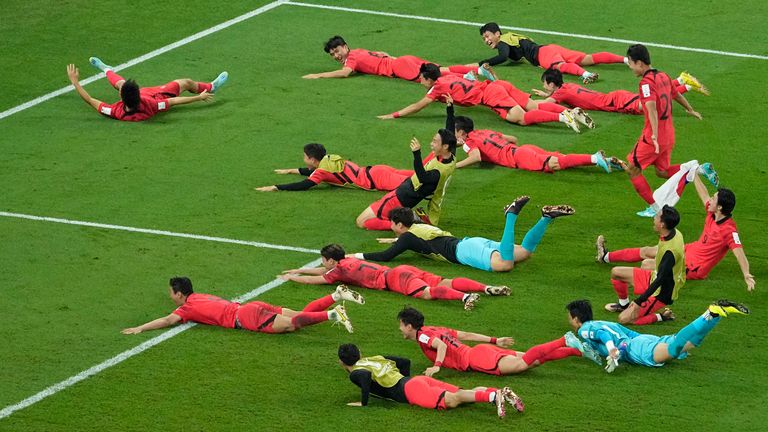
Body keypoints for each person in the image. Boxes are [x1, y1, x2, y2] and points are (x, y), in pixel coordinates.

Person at [597, 177, 754, 292]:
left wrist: (746, 274)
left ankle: (647, 295)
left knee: (647, 264)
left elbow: (739, 253)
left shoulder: (729, 230)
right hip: (689, 250)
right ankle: (605, 256)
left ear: (719, 207)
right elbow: (704, 194)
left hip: (693, 266)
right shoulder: (713, 213)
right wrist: (693, 174)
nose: (710, 200)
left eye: (714, 199)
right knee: (648, 251)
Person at [355, 196, 573, 272]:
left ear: (398, 224)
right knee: (525, 252)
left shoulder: (407, 237)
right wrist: (394, 239)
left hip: (464, 253)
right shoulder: (417, 225)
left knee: (505, 264)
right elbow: (416, 238)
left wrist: (353, 256)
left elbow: (386, 256)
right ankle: (546, 217)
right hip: (470, 242)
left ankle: (511, 215)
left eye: (391, 224)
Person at [281, 244, 511, 311]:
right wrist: (297, 270)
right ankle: (486, 287)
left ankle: (464, 297)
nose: (322, 264)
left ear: (331, 261)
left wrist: (292, 278)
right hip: (402, 270)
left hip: (395, 280)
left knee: (428, 294)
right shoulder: (348, 260)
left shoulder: (338, 270)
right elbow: (322, 272)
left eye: (323, 260)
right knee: (445, 282)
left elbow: (317, 279)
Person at [377, 63, 585, 132]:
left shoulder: (436, 88)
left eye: (421, 78)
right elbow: (469, 74)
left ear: (428, 78)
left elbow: (418, 106)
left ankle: (562, 117)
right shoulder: (448, 76)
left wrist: (394, 115)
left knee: (521, 118)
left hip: (491, 94)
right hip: (497, 86)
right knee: (533, 105)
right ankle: (570, 112)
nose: (420, 81)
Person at [121, 276, 360, 335]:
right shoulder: (200, 296)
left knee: (293, 325)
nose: (170, 296)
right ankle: (335, 295)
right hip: (249, 306)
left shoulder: (186, 308)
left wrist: (140, 327)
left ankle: (333, 314)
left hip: (245, 317)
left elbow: (167, 320)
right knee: (301, 314)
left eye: (171, 292)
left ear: (180, 294)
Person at [621, 44, 703, 216]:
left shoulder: (646, 83)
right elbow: (676, 94)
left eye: (631, 63)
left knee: (632, 169)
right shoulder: (664, 76)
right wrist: (690, 109)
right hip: (668, 134)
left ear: (639, 63)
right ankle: (696, 169)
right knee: (662, 172)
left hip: (653, 138)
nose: (630, 67)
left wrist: (654, 135)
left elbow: (651, 108)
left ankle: (656, 210)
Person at [337, 343, 524, 417]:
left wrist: (363, 402)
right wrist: (406, 379)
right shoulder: (373, 358)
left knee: (452, 400)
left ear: (341, 362)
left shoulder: (355, 373)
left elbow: (365, 377)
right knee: (460, 393)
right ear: (360, 353)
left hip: (412, 391)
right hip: (414, 381)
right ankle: (499, 392)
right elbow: (404, 361)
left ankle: (494, 397)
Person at [396, 307, 590, 378]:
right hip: (481, 350)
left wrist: (436, 366)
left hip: (477, 360)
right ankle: (578, 350)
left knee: (523, 364)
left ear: (410, 326)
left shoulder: (422, 336)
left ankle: (563, 340)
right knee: (535, 360)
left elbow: (442, 345)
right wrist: (496, 340)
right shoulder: (434, 328)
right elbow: (466, 334)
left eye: (401, 325)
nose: (400, 329)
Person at [566, 299, 750, 373]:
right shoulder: (603, 322)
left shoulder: (584, 329)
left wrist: (613, 349)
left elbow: (603, 335)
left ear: (576, 319)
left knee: (675, 347)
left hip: (637, 348)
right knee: (689, 344)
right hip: (641, 340)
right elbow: (628, 333)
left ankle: (709, 313)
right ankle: (717, 314)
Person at [356, 103, 457, 230]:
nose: (431, 144)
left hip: (398, 198)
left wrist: (416, 153)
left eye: (435, 141)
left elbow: (422, 176)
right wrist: (450, 110)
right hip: (406, 197)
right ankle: (407, 221)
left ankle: (408, 225)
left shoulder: (436, 173)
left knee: (361, 221)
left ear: (445, 146)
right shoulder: (451, 157)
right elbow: (450, 135)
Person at [66, 57, 227, 122]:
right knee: (185, 82)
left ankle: (106, 69)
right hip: (158, 94)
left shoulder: (115, 112)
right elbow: (173, 101)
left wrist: (75, 82)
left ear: (122, 98)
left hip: (138, 97)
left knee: (122, 84)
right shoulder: (152, 105)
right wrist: (198, 97)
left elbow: (89, 100)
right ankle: (211, 87)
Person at [604, 205, 685, 325]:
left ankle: (661, 316)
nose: (654, 218)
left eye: (657, 216)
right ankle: (623, 305)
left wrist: (639, 301)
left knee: (623, 319)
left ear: (662, 224)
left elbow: (660, 280)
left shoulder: (670, 253)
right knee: (616, 272)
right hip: (653, 277)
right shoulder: (673, 232)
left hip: (661, 293)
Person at [474, 22, 627, 83]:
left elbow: (502, 56)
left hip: (543, 54)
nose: (486, 40)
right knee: (588, 58)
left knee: (560, 66)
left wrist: (482, 63)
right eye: (484, 38)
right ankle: (626, 59)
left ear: (497, 34)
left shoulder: (502, 42)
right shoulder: (509, 37)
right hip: (550, 48)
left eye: (487, 36)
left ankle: (586, 74)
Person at [453, 115, 613, 172]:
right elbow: (513, 139)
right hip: (523, 149)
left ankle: (595, 158)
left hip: (519, 157)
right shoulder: (485, 131)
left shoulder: (470, 142)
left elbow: (476, 157)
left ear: (461, 132)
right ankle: (606, 161)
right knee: (561, 159)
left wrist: (456, 165)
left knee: (556, 163)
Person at [304, 35, 495, 81]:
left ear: (345, 47)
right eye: (332, 54)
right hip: (402, 60)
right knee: (440, 68)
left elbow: (345, 73)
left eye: (337, 51)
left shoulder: (350, 59)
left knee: (435, 75)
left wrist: (318, 75)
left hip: (398, 67)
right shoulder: (358, 51)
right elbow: (380, 53)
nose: (336, 55)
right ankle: (478, 70)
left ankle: (466, 78)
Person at [533, 68, 709, 115]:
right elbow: (559, 97)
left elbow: (544, 105)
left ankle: (683, 83)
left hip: (616, 102)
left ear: (551, 83)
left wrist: (526, 100)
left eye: (544, 84)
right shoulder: (567, 86)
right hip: (616, 97)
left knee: (652, 103)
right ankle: (682, 82)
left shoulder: (560, 94)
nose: (543, 86)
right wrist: (549, 95)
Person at [255, 143, 413, 192]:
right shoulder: (329, 158)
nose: (303, 159)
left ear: (312, 159)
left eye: (304, 156)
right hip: (376, 170)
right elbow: (311, 171)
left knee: (419, 184)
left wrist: (276, 187)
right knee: (420, 173)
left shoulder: (322, 171)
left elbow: (305, 184)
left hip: (376, 179)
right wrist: (290, 170)